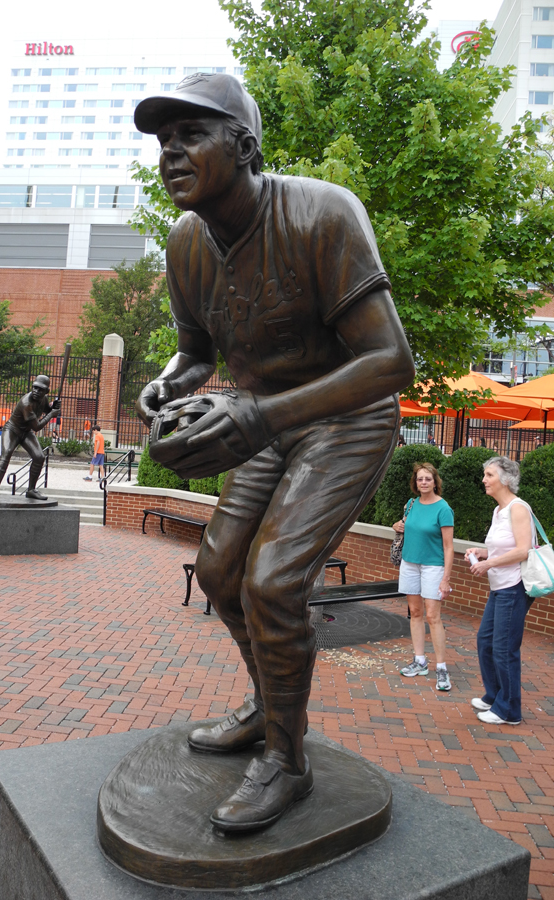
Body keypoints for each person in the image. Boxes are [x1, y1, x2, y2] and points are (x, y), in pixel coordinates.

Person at [133, 73, 415, 832]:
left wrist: (257, 417)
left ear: (245, 144)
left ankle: (288, 765)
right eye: (163, 142)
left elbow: (391, 361)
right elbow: (194, 353)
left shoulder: (321, 212)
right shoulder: (186, 242)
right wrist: (164, 384)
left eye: (191, 135)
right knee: (221, 572)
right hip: (264, 418)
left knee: (272, 582)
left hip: (346, 415)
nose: (171, 153)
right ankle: (269, 710)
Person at [465, 457, 536, 725]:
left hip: (514, 587)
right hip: (499, 587)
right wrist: (481, 553)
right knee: (486, 642)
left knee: (505, 649)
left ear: (505, 480)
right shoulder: (499, 511)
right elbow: (502, 547)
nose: (484, 479)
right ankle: (495, 696)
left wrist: (489, 563)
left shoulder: (519, 509)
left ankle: (509, 711)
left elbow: (522, 550)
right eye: (485, 474)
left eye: (489, 475)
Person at [393, 463, 454, 690]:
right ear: (415, 482)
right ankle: (420, 661)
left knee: (432, 616)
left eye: (428, 478)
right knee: (415, 612)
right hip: (410, 563)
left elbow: (449, 547)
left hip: (433, 567)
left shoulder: (443, 509)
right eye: (420, 479)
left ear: (435, 481)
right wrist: (396, 525)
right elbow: (405, 527)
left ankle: (441, 668)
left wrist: (446, 578)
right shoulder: (411, 504)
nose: (424, 482)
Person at [0, 375, 60, 502]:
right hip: (12, 430)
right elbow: (37, 427)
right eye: (35, 388)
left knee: (39, 457)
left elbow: (47, 409)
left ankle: (31, 490)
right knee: (6, 454)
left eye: (40, 389)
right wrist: (52, 415)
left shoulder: (44, 399)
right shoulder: (26, 403)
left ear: (46, 391)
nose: (36, 391)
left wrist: (53, 406)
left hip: (26, 432)